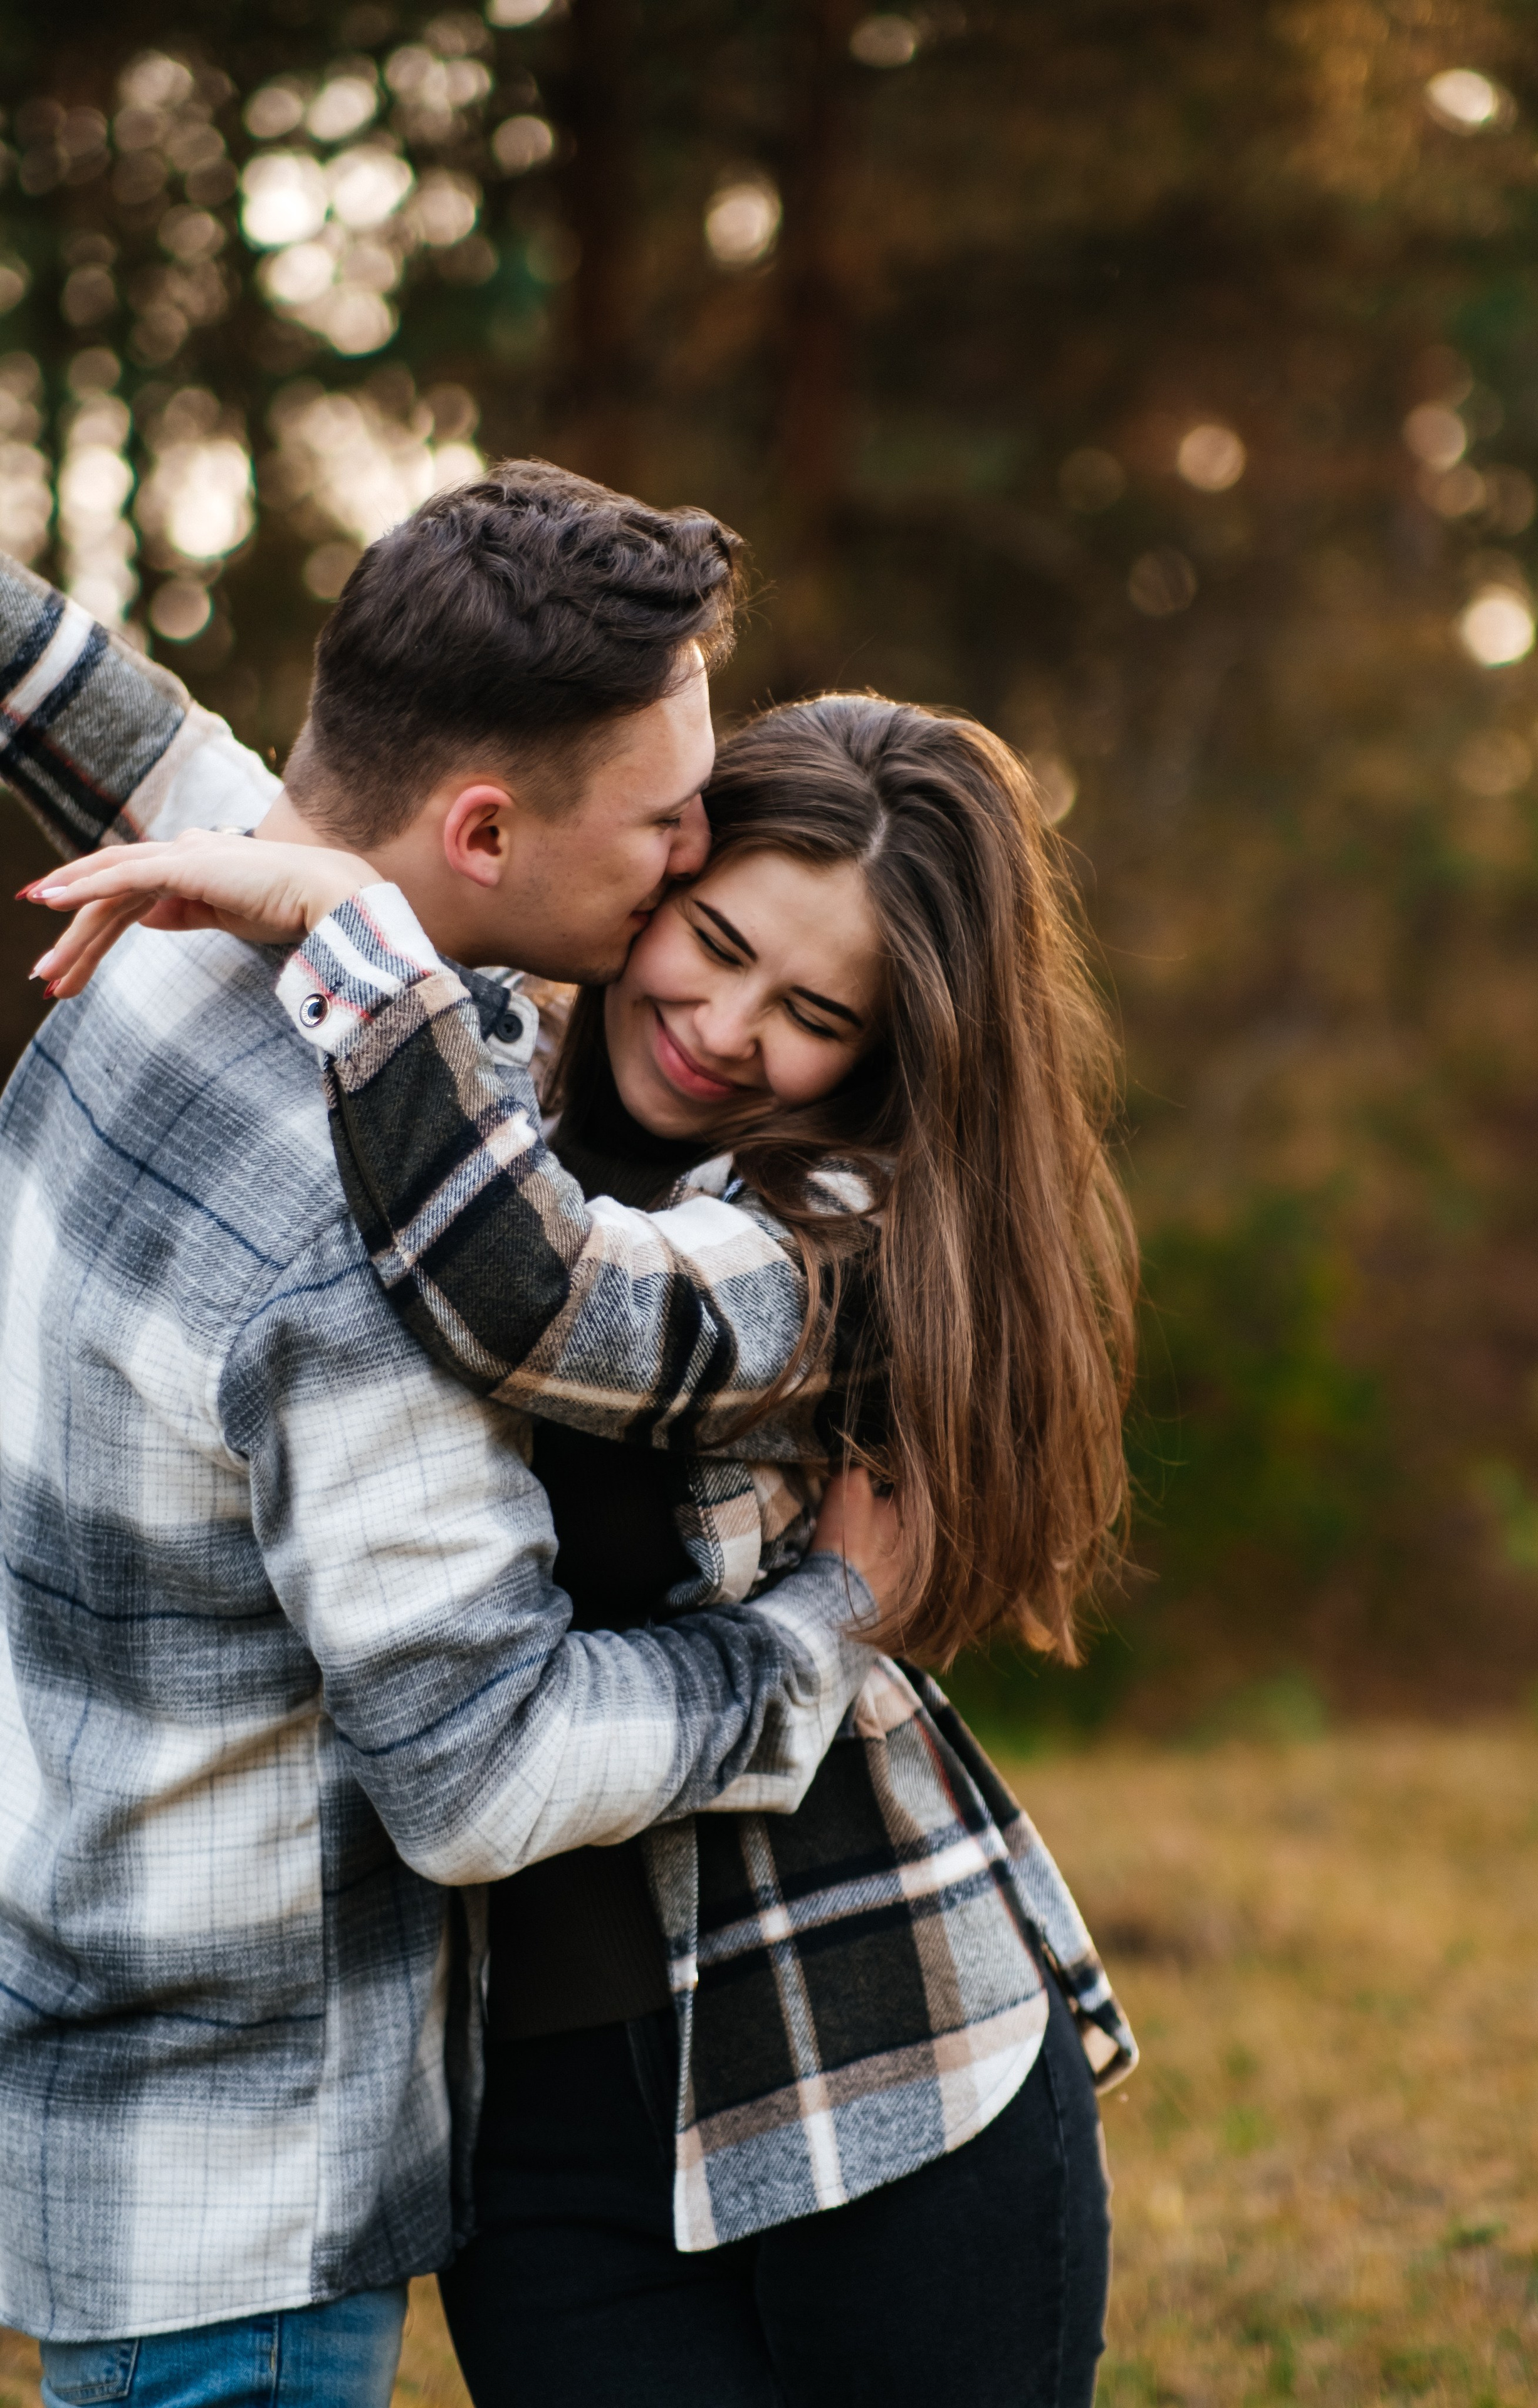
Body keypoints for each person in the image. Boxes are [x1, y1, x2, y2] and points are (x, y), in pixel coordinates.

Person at [33, 675, 1141, 2399]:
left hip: (867, 2046)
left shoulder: (831, 1233)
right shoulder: (481, 1050)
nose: (727, 1023)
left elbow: (551, 1295)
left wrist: (344, 926)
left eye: (817, 1009)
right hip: (537, 2103)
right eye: (713, 936)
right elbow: (206, 767)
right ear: (653, 878)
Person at [0, 473, 909, 2408]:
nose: (689, 861)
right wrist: (818, 1627)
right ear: (484, 831)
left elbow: (142, 739)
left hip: (94, 2066)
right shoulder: (374, 1234)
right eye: (670, 824)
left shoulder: (180, 940)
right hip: (251, 2197)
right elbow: (481, 1775)